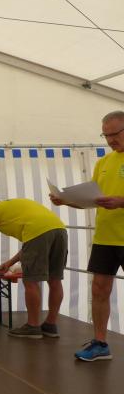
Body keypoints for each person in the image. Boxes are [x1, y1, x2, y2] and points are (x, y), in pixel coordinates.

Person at [52, 110, 124, 361]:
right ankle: (100, 343)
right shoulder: (103, 162)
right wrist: (65, 200)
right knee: (99, 289)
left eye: (115, 134)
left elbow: (116, 200)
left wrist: (121, 201)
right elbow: (92, 200)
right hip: (105, 237)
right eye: (106, 135)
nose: (110, 140)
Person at [0, 199, 67, 339]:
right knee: (55, 280)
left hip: (38, 232)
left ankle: (33, 327)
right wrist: (9, 263)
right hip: (60, 230)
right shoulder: (16, 206)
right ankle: (50, 325)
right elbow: (31, 244)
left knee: (31, 281)